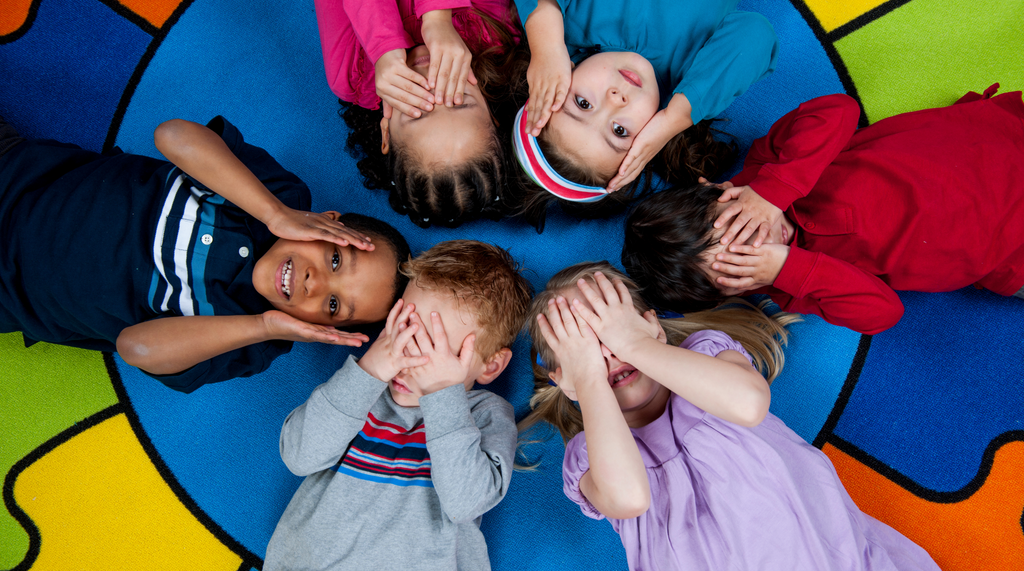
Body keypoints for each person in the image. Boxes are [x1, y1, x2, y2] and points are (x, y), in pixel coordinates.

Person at [519, 262, 940, 571]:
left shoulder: (706, 355)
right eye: (585, 347)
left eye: (611, 331)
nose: (607, 353)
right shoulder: (588, 457)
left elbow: (748, 404)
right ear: (566, 382)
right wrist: (590, 377)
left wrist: (633, 346)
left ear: (653, 327)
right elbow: (629, 498)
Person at [0, 115, 410, 393]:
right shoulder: (279, 195)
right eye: (335, 260)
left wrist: (263, 326)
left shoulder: (251, 343)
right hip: (16, 172)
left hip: (8, 289)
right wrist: (274, 213)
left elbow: (135, 347)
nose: (315, 282)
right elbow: (173, 135)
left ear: (323, 328)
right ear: (328, 223)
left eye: (334, 304)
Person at [622, 85, 1024, 335]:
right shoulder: (795, 286)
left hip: (992, 149)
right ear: (738, 290)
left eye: (738, 228)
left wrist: (771, 191)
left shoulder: (770, 167)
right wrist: (788, 268)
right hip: (1006, 249)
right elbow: (883, 313)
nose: (760, 242)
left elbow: (838, 110)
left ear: (718, 191)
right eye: (741, 265)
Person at [264, 240, 532, 571]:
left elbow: (467, 502)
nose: (408, 358)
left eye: (434, 348)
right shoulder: (360, 390)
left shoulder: (484, 414)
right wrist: (369, 371)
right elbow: (298, 456)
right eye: (404, 328)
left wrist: (441, 395)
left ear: (490, 366)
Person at [508, 0, 776, 230]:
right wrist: (674, 118)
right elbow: (756, 33)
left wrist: (547, 47)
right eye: (619, 131)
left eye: (583, 103)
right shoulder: (692, 81)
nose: (616, 100)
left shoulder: (572, 25)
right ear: (646, 145)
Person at [317, 0, 530, 227]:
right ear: (492, 114)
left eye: (418, 110)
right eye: (458, 100)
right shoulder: (492, 32)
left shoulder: (350, 73)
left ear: (386, 132)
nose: (432, 82)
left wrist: (383, 46)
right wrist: (437, 19)